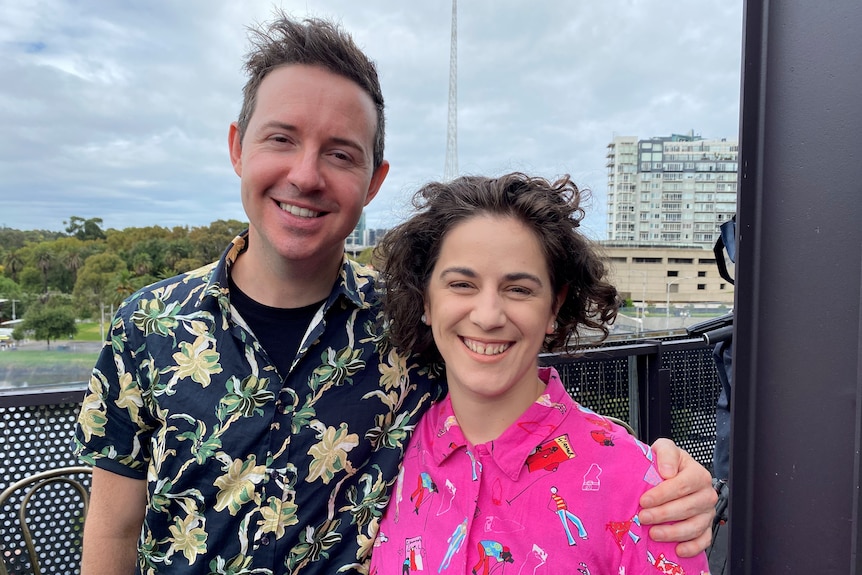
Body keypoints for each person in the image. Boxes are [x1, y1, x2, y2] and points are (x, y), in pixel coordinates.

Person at [71, 13, 715, 575]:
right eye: (281, 138)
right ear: (238, 147)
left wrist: (663, 481)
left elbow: (515, 396)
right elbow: (113, 526)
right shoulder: (148, 325)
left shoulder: (410, 323)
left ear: (374, 180)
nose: (305, 175)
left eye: (341, 154)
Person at [368, 173, 710, 573]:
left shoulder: (642, 489)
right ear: (426, 299)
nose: (488, 316)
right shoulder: (385, 451)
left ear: (553, 306)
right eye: (462, 284)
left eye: (518, 290)